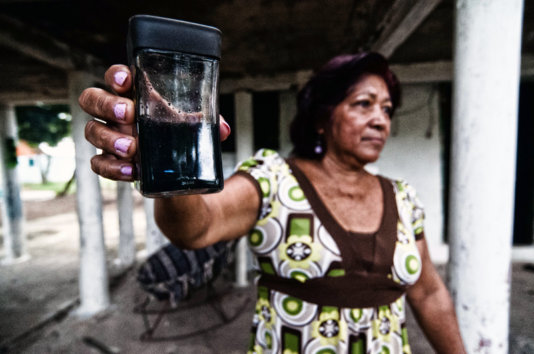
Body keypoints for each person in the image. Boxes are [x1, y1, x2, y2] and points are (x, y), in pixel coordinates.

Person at [80, 51, 466, 353]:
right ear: (322, 118)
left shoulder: (402, 197)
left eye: (386, 109)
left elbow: (429, 293)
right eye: (363, 104)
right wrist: (168, 154)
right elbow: (196, 227)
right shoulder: (274, 179)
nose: (381, 120)